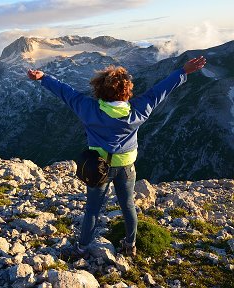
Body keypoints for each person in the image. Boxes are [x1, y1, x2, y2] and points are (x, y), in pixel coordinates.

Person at [27, 56, 206, 258]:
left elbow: (66, 92)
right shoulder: (139, 109)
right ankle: (130, 245)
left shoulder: (89, 108)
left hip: (98, 166)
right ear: (127, 90)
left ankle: (81, 248)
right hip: (127, 166)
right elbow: (160, 90)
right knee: (128, 206)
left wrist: (43, 78)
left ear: (99, 90)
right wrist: (183, 72)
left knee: (93, 210)